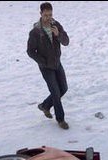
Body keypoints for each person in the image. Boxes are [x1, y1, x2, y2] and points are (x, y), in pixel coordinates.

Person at [27, 2, 70, 130]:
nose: (48, 18)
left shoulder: (56, 25)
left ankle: (45, 105)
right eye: (45, 15)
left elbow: (66, 41)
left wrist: (58, 35)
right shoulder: (35, 32)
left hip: (57, 63)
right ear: (40, 14)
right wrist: (42, 62)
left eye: (50, 15)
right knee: (56, 92)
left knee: (64, 88)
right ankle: (61, 119)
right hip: (46, 67)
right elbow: (30, 51)